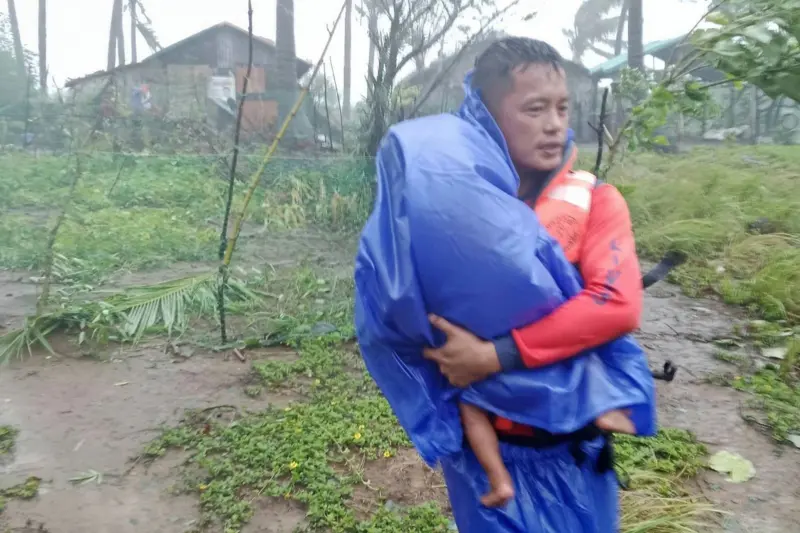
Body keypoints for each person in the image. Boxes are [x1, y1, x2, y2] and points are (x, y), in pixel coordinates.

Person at [418, 37, 645, 520]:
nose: (554, 124)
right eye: (534, 109)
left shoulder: (596, 202)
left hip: (570, 457)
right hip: (485, 457)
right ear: (485, 117)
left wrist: (493, 356)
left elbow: (618, 305)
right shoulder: (450, 210)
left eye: (562, 107)